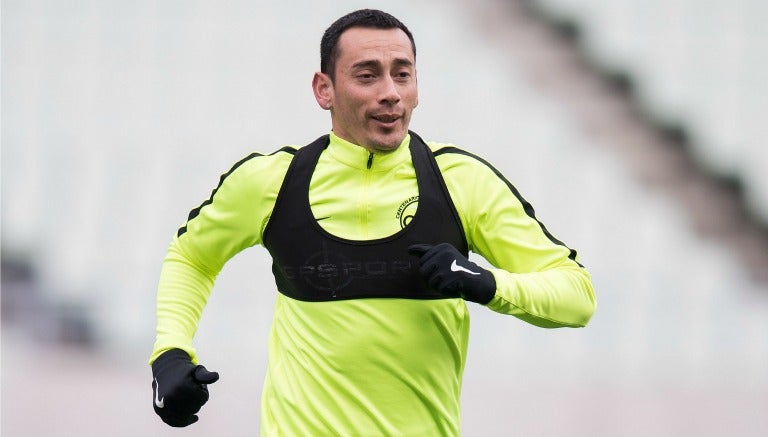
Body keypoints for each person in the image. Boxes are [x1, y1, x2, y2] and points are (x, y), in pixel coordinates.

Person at [149, 8, 596, 436]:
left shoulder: (462, 182)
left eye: (402, 74)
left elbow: (577, 296)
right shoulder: (270, 181)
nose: (390, 92)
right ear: (324, 89)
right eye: (367, 75)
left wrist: (488, 285)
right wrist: (170, 351)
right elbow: (192, 257)